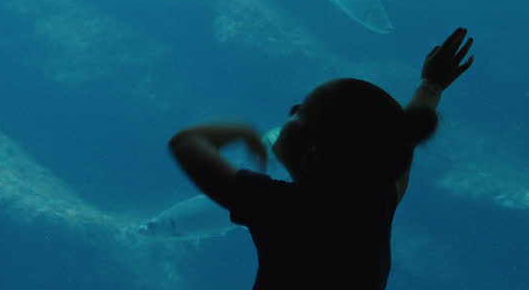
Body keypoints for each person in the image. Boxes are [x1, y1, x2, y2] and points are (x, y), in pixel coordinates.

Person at [169, 27, 475, 290]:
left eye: (301, 112)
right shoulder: (377, 201)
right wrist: (431, 87)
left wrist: (240, 131)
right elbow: (401, 142)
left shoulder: (279, 207)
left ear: (312, 150)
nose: (292, 109)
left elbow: (185, 144)